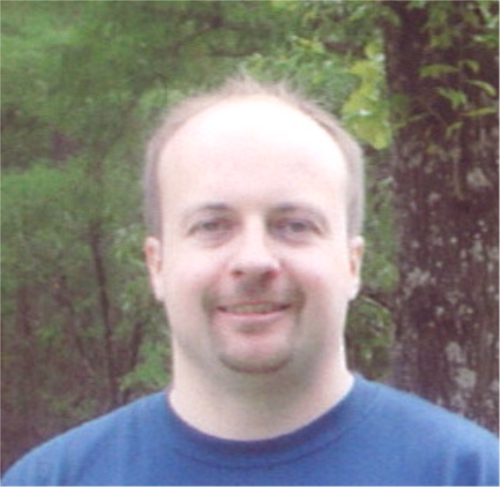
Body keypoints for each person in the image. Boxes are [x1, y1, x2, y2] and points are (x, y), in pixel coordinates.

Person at [2, 74, 499, 486]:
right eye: (212, 226)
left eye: (294, 225)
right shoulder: (52, 480)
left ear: (352, 264)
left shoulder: (469, 474)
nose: (255, 260)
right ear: (157, 264)